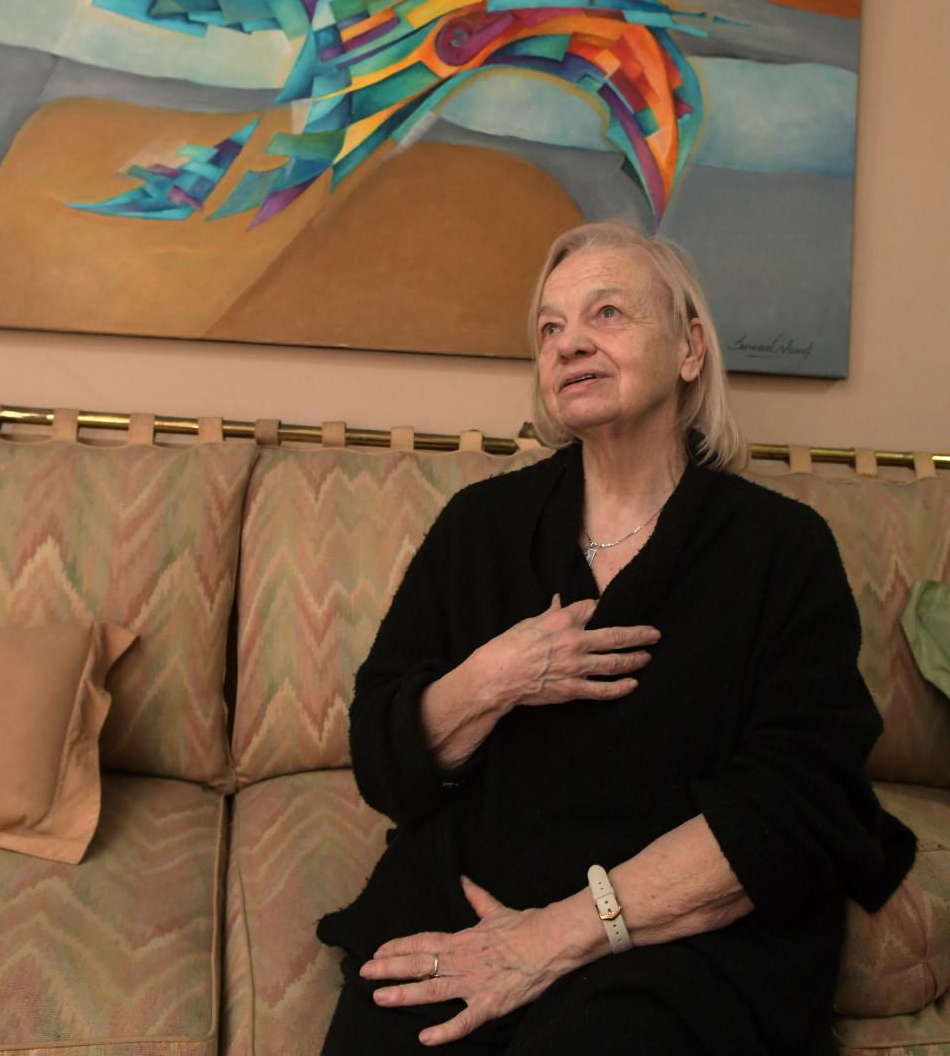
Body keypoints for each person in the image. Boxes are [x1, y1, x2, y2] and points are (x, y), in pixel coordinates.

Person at [317, 219, 915, 1054]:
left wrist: (552, 937)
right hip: (465, 903)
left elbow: (792, 804)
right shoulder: (479, 526)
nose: (568, 343)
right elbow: (382, 759)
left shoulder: (780, 548)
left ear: (689, 348)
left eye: (606, 313)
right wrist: (494, 678)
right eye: (549, 327)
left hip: (674, 942)